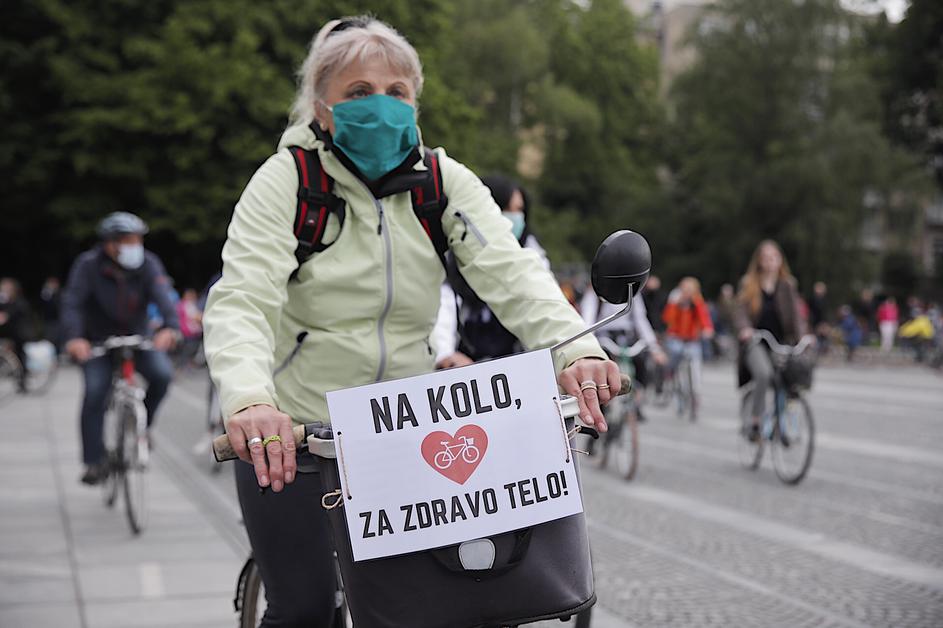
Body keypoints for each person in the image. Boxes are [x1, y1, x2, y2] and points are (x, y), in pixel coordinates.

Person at [201, 16, 618, 627]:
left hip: (400, 430)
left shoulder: (442, 182)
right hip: (293, 430)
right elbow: (242, 298)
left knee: (442, 605)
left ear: (416, 105)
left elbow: (516, 274)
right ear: (322, 110)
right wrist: (247, 401)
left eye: (396, 92)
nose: (381, 105)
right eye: (358, 91)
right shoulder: (287, 180)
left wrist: (575, 350)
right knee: (306, 610)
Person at [61, 212, 179, 485]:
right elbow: (73, 304)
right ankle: (93, 461)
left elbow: (163, 296)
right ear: (110, 243)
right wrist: (75, 338)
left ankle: (141, 428)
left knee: (162, 375)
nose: (134, 245)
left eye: (137, 239)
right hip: (98, 342)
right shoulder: (88, 265)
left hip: (138, 338)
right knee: (94, 393)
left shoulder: (148, 263)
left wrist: (169, 328)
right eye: (127, 240)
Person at [432, 174, 548, 368]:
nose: (515, 218)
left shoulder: (532, 258)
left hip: (518, 371)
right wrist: (446, 353)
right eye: (505, 209)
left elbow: (543, 307)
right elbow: (442, 307)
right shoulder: (452, 258)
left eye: (519, 210)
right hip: (466, 375)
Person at [733, 240, 806, 441]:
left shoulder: (787, 285)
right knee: (764, 374)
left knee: (790, 377)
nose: (770, 262)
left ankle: (783, 421)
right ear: (759, 261)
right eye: (766, 258)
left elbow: (797, 317)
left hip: (780, 341)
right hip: (756, 341)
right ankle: (755, 420)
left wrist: (804, 337)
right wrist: (745, 329)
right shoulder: (749, 284)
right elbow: (740, 311)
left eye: (774, 257)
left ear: (780, 260)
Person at [580, 287, 667, 422]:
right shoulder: (595, 293)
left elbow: (640, 320)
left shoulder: (633, 293)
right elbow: (588, 319)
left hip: (627, 337)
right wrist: (586, 344)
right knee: (600, 369)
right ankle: (600, 409)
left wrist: (654, 347)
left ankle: (637, 403)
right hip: (604, 337)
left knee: (642, 364)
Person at [662, 277, 714, 419]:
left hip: (692, 340)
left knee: (695, 366)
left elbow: (704, 318)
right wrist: (675, 304)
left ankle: (695, 394)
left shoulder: (696, 302)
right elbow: (667, 319)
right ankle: (670, 376)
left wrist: (707, 329)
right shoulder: (676, 301)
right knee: (674, 355)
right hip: (677, 338)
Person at [0, 278, 32, 391]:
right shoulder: (5, 301)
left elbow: (11, 314)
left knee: (20, 357)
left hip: (19, 334)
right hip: (9, 334)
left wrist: (6, 316)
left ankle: (22, 381)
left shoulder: (19, 301)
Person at [40, 277, 63, 354]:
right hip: (48, 321)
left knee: (57, 340)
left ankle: (58, 354)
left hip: (57, 321)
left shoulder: (60, 294)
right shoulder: (45, 294)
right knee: (49, 339)